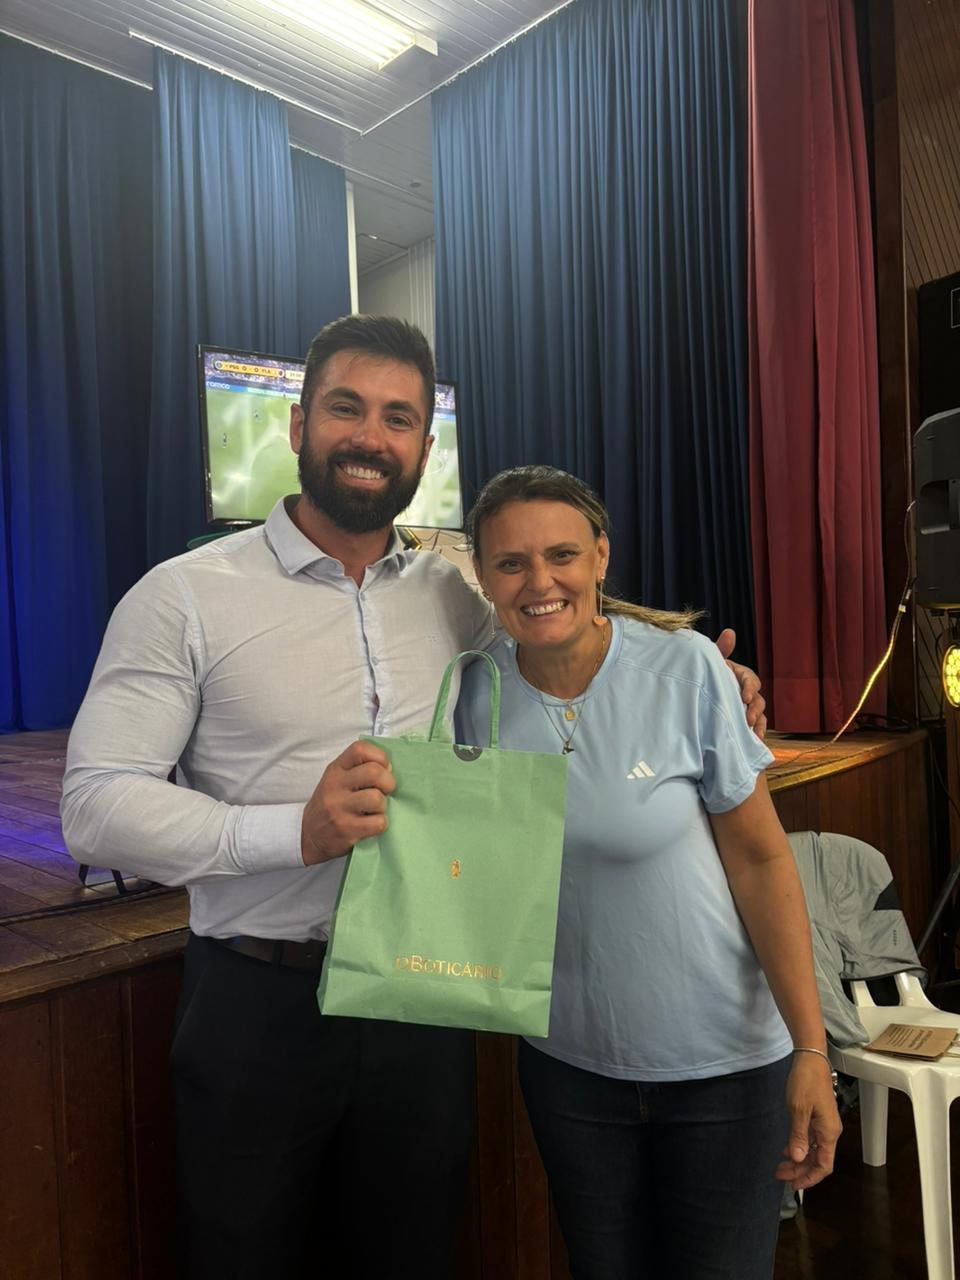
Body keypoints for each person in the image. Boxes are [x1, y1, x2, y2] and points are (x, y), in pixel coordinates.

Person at [61, 315, 766, 1278]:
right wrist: (293, 831)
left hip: (425, 998)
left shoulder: (450, 597)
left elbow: (562, 632)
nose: (370, 437)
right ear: (297, 424)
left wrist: (702, 668)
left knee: (413, 1254)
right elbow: (96, 806)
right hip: (258, 1001)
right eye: (346, 408)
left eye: (398, 419)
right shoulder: (182, 596)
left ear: (423, 451)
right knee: (239, 1257)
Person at [456, 465, 841, 1280]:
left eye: (562, 555)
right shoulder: (473, 692)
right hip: (568, 1071)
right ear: (481, 575)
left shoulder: (687, 670)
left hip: (724, 1072)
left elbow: (762, 860)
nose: (539, 581)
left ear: (601, 556)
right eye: (512, 563)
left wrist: (812, 1048)